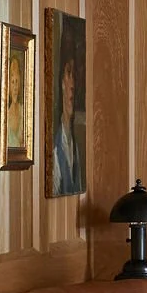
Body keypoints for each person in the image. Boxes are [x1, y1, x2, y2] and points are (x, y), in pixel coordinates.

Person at [51, 28, 85, 195]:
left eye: (75, 76)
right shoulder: (55, 152)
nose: (72, 84)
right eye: (68, 73)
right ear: (60, 81)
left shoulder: (74, 146)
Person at [6, 53, 24, 150]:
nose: (15, 87)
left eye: (17, 81)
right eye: (12, 82)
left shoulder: (23, 112)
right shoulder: (4, 115)